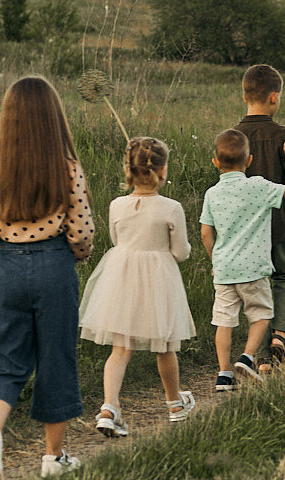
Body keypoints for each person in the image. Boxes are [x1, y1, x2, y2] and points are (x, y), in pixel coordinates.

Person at [0, 75, 94, 480]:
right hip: (54, 265)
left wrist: (2, 248)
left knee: (7, 360)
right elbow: (81, 232)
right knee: (55, 358)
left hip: (8, 267)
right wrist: (75, 255)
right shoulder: (67, 168)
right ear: (53, 118)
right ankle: (53, 458)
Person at [78, 136, 197, 437]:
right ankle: (174, 403)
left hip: (122, 278)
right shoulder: (171, 208)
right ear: (163, 170)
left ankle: (109, 407)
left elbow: (119, 243)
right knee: (165, 346)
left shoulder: (117, 205)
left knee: (121, 348)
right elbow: (181, 253)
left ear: (127, 170)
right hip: (159, 280)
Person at [199, 127, 285, 392]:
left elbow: (205, 232)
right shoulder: (257, 186)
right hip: (254, 269)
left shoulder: (212, 194)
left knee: (224, 321)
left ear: (215, 162)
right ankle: (246, 356)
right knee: (263, 315)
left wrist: (215, 260)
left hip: (224, 270)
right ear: (250, 161)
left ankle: (223, 375)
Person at [236, 63, 285, 368]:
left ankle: (265, 352)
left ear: (245, 96)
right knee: (284, 277)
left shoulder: (232, 136)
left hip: (245, 227)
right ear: (273, 98)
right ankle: (280, 335)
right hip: (280, 222)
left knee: (258, 284)